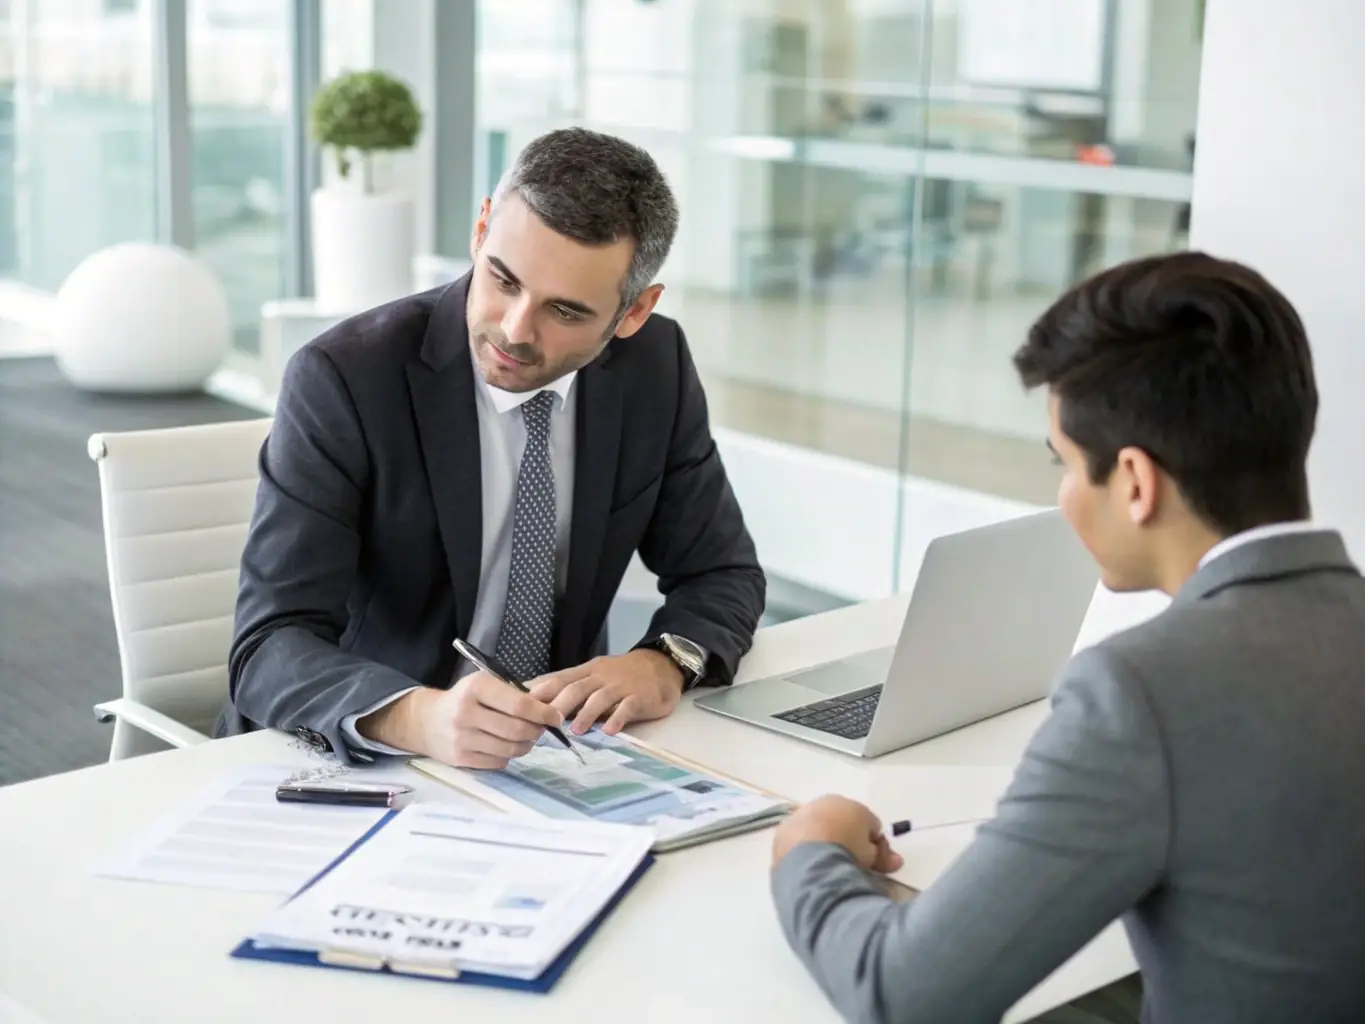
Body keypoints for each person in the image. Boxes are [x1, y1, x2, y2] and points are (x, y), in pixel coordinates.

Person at [767, 251, 1365, 1023]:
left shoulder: (1140, 692)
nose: (1062, 496)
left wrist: (808, 852)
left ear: (1135, 483)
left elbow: (902, 994)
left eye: (1066, 465)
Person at [218, 127, 766, 768]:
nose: (514, 329)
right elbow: (268, 644)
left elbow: (721, 571)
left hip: (557, 753)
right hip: (366, 757)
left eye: (564, 312)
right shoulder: (345, 379)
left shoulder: (655, 366)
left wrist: (665, 661)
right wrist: (417, 715)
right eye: (503, 279)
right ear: (481, 229)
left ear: (634, 312)